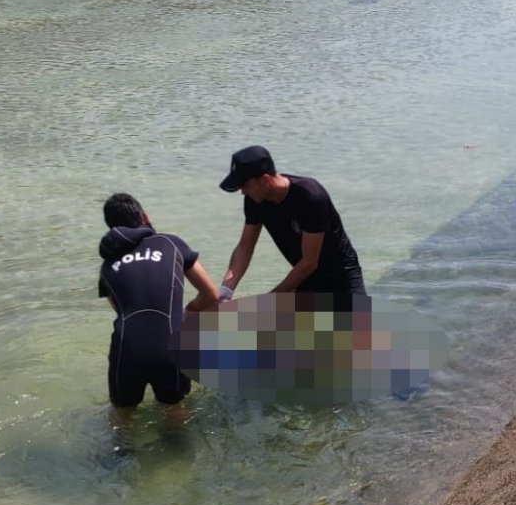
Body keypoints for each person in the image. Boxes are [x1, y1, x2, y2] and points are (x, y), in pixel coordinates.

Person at [98, 192, 218, 417]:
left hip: (126, 350)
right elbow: (210, 293)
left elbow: (121, 310)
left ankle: (122, 441)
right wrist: (189, 311)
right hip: (170, 347)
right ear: (144, 216)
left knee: (122, 415)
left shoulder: (107, 266)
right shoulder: (171, 244)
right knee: (173, 408)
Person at [218, 145, 366, 297]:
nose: (243, 192)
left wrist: (271, 297)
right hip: (305, 279)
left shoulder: (310, 197)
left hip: (342, 277)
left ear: (265, 180)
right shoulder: (254, 199)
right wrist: (225, 291)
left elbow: (310, 262)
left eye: (246, 185)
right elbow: (245, 247)